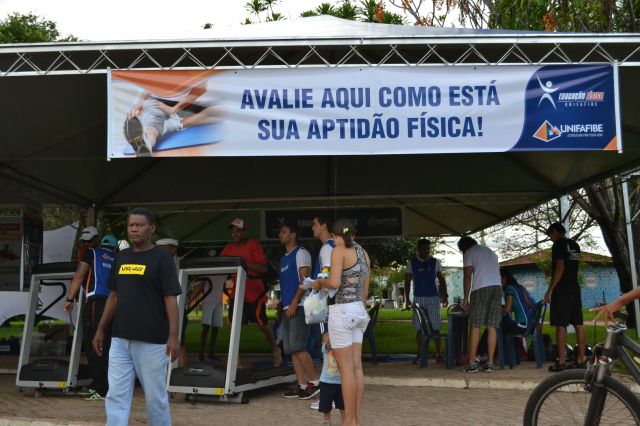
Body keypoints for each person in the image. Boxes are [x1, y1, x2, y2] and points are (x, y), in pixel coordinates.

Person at [93, 207, 182, 426]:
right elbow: (114, 296)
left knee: (155, 398)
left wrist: (173, 336)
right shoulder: (121, 257)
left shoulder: (162, 258)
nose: (134, 229)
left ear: (151, 229)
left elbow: (170, 298)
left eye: (139, 225)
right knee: (115, 395)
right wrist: (101, 329)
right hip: (120, 339)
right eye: (131, 225)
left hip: (152, 341)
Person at [312, 218, 370, 426]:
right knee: (357, 368)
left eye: (334, 238)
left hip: (342, 312)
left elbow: (335, 282)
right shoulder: (363, 253)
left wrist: (319, 282)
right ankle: (355, 420)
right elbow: (365, 289)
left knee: (346, 371)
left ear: (336, 236)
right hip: (359, 310)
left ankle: (348, 422)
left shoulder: (338, 251)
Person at [220, 218, 281, 367]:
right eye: (233, 231)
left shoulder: (254, 245)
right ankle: (236, 361)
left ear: (245, 231)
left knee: (262, 324)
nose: (235, 234)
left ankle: (275, 349)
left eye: (238, 231)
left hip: (254, 294)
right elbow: (221, 264)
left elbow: (263, 268)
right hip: (237, 293)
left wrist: (244, 263)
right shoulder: (229, 248)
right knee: (232, 326)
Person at [64, 234, 118, 401]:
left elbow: (80, 275)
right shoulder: (119, 258)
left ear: (101, 245)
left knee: (94, 344)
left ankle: (99, 389)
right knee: (110, 345)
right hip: (116, 304)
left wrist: (70, 299)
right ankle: (110, 387)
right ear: (115, 248)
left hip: (97, 303)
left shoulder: (92, 253)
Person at [277, 222, 320, 400]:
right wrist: (283, 305)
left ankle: (315, 382)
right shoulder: (283, 258)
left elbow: (305, 281)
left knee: (298, 346)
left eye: (283, 232)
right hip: (287, 307)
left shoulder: (301, 253)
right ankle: (302, 385)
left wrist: (295, 302)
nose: (280, 235)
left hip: (300, 306)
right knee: (291, 349)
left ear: (293, 235)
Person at [125, 82, 221, 157]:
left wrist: (174, 109)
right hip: (157, 102)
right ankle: (148, 142)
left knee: (219, 111)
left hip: (183, 103)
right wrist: (140, 101)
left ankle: (176, 124)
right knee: (151, 129)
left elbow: (201, 88)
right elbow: (150, 83)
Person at [545, 222, 585, 372]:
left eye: (550, 234)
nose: (550, 238)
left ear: (555, 232)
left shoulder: (558, 245)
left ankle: (561, 362)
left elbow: (560, 267)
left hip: (562, 290)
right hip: (574, 288)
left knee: (560, 325)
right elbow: (571, 266)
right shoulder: (575, 245)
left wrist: (550, 289)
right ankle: (581, 360)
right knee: (578, 323)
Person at [458, 236, 502, 373]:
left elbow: (467, 276)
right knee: (492, 326)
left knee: (475, 325)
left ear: (464, 248)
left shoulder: (469, 252)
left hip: (481, 289)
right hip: (497, 288)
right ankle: (490, 363)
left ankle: (471, 363)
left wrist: (466, 299)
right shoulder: (490, 251)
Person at [404, 239, 448, 365]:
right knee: (419, 328)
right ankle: (421, 353)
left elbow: (441, 279)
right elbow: (407, 280)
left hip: (434, 297)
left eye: (428, 249)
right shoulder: (411, 263)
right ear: (418, 249)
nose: (426, 251)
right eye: (424, 248)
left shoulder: (435, 262)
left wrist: (445, 295)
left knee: (436, 328)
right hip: (418, 298)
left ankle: (439, 354)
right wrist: (407, 299)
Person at [308, 214, 336, 360]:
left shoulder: (326, 248)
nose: (312, 228)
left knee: (326, 337)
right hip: (335, 299)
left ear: (324, 226)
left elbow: (326, 271)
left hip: (326, 300)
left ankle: (329, 370)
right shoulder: (337, 246)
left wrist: (317, 284)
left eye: (315, 224)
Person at [313, 328, 345, 426]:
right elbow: (329, 343)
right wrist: (334, 328)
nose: (329, 336)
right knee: (326, 404)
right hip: (326, 382)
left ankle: (345, 421)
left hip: (341, 382)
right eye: (326, 335)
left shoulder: (341, 348)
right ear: (322, 341)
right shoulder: (325, 348)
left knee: (343, 404)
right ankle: (327, 421)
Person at [195, 274, 225, 362]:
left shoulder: (226, 271)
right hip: (208, 301)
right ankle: (201, 354)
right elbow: (199, 282)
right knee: (206, 327)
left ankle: (211, 354)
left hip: (219, 302)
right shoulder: (209, 271)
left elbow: (223, 286)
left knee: (216, 328)